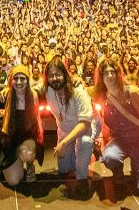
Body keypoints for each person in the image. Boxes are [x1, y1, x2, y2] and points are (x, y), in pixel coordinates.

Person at [92, 59, 139, 200]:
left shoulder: (132, 92)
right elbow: (101, 123)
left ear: (118, 74)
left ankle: (138, 167)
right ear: (101, 77)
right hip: (120, 140)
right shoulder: (102, 98)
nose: (110, 76)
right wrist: (100, 141)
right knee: (109, 157)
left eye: (113, 72)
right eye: (106, 73)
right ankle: (118, 172)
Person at [43, 57, 101, 199]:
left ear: (65, 75)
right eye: (51, 75)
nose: (54, 78)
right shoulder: (48, 90)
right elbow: (29, 88)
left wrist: (64, 142)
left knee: (85, 142)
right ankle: (83, 155)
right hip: (65, 129)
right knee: (64, 169)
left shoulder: (78, 92)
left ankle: (82, 180)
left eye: (58, 74)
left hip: (86, 127)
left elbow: (85, 124)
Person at [0, 65, 44, 186]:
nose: (19, 82)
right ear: (11, 80)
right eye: (16, 78)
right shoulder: (6, 95)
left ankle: (29, 165)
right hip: (11, 140)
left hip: (27, 139)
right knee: (14, 181)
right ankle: (14, 164)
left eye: (23, 78)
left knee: (30, 146)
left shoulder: (34, 95)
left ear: (28, 80)